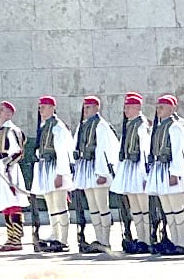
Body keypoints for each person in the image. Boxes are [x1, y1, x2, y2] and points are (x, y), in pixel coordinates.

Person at [146, 94, 184, 255]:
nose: (158, 110)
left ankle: (182, 242)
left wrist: (175, 173)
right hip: (161, 170)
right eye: (158, 107)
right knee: (168, 209)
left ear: (172, 108)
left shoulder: (175, 127)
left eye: (162, 107)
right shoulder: (161, 126)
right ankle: (174, 241)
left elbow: (178, 151)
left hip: (171, 171)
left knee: (177, 208)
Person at [72, 95, 120, 252]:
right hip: (86, 169)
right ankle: (99, 239)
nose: (86, 110)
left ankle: (105, 240)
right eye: (85, 107)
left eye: (89, 107)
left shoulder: (101, 126)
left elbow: (104, 150)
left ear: (96, 108)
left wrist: (102, 173)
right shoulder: (83, 126)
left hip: (97, 169)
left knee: (102, 205)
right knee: (93, 207)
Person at [28, 95, 73, 252]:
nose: (41, 110)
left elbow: (62, 152)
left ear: (52, 108)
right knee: (51, 205)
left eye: (44, 107)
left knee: (60, 205)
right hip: (45, 168)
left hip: (55, 168)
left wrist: (60, 174)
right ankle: (55, 234)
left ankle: (64, 239)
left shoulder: (57, 127)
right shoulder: (44, 125)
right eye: (40, 107)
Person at [0, 100, 29, 252]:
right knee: (5, 204)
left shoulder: (12, 130)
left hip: (9, 171)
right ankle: (11, 237)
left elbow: (18, 153)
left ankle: (16, 239)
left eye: (3, 110)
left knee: (13, 203)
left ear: (9, 114)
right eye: (0, 109)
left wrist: (4, 164)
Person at [110, 92, 151, 254]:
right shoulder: (129, 124)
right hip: (129, 169)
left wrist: (144, 175)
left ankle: (148, 239)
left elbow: (144, 151)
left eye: (128, 107)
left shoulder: (141, 125)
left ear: (137, 107)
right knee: (135, 208)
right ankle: (141, 239)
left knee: (144, 207)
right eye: (125, 107)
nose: (125, 110)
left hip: (138, 170)